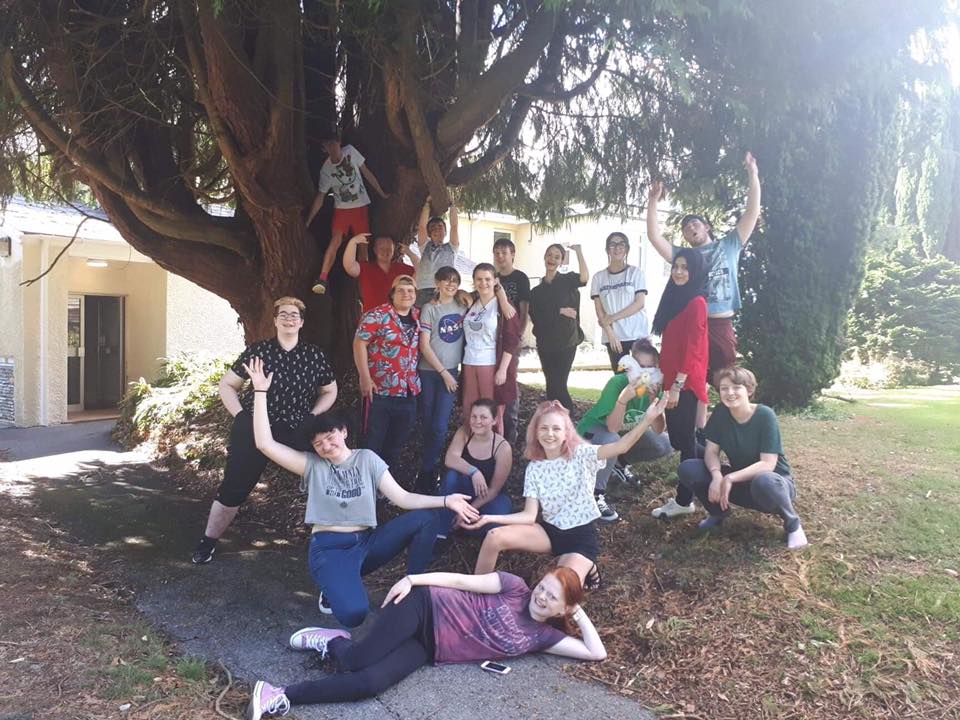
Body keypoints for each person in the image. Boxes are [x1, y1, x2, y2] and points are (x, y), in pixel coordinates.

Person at [243, 357, 479, 628]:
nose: (325, 445)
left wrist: (447, 500)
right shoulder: (313, 466)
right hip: (330, 549)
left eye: (330, 437)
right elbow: (265, 444)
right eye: (318, 444)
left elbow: (402, 498)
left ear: (343, 432)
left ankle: (413, 591)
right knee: (354, 614)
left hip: (367, 544)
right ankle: (332, 585)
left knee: (426, 519)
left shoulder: (367, 459)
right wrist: (260, 391)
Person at [245, 566, 606, 718]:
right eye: (543, 587)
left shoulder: (543, 636)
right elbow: (461, 581)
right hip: (423, 607)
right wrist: (412, 580)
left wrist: (578, 612)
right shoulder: (513, 586)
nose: (541, 596)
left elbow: (595, 652)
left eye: (552, 597)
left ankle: (289, 684)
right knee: (358, 659)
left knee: (368, 684)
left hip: (431, 648)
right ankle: (319, 657)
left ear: (564, 607)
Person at [190, 297, 337, 565]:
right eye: (283, 314)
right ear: (275, 320)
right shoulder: (258, 351)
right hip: (255, 427)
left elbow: (330, 390)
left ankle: (335, 545)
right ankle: (207, 542)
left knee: (325, 476)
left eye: (294, 315)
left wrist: (312, 416)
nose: (289, 319)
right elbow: (227, 385)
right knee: (233, 487)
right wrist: (241, 417)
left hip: (297, 428)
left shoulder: (314, 355)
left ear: (301, 322)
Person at [468, 396, 668, 586]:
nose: (550, 434)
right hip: (549, 533)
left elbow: (621, 446)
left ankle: (587, 566)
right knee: (494, 536)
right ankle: (475, 596)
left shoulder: (582, 454)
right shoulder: (535, 468)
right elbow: (529, 516)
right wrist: (489, 518)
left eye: (556, 428)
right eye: (544, 428)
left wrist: (647, 419)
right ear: (536, 432)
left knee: (558, 586)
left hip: (580, 538)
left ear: (566, 433)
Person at [645, 152, 761, 383]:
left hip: (720, 323)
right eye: (686, 228)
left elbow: (751, 213)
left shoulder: (729, 245)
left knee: (726, 378)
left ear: (706, 227)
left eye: (694, 223)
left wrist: (753, 174)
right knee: (691, 380)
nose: (691, 228)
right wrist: (653, 201)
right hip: (691, 323)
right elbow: (654, 236)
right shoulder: (684, 257)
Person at [678, 366, 808, 549]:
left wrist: (730, 477)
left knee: (764, 480)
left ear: (749, 390)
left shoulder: (765, 415)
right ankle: (718, 513)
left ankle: (793, 525)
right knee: (689, 469)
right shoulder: (721, 413)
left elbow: (768, 464)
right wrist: (717, 475)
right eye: (724, 388)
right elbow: (711, 451)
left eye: (736, 387)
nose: (730, 393)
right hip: (741, 484)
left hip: (774, 486)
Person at [577, 339, 674, 523]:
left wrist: (653, 400)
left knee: (664, 444)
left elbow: (659, 429)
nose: (645, 373)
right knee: (612, 438)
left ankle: (619, 464)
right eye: (640, 367)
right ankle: (596, 493)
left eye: (650, 367)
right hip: (593, 433)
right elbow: (612, 427)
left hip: (620, 435)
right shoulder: (617, 383)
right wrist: (623, 399)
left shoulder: (656, 388)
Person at [649, 249, 709, 520]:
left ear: (695, 271)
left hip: (684, 383)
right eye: (676, 266)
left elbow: (694, 349)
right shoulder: (677, 298)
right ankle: (715, 463)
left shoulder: (696, 302)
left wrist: (677, 385)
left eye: (685, 267)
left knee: (684, 441)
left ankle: (685, 500)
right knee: (680, 439)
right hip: (672, 380)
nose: (679, 272)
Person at [354, 275, 421, 482]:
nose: (406, 294)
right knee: (373, 442)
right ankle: (365, 484)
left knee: (396, 443)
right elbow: (359, 343)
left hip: (408, 391)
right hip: (380, 391)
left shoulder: (419, 316)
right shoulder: (377, 315)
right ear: (392, 294)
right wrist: (364, 377)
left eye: (410, 291)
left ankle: (384, 485)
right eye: (400, 290)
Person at [306, 137, 390, 295]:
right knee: (336, 240)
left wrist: (381, 193)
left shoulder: (350, 151)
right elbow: (320, 197)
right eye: (328, 145)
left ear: (339, 143)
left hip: (360, 208)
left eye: (334, 143)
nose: (333, 147)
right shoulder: (326, 170)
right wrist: (308, 220)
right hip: (342, 210)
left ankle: (365, 282)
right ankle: (322, 277)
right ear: (324, 149)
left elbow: (366, 172)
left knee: (363, 245)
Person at [415, 266, 469, 493]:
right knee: (428, 422)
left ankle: (430, 470)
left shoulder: (463, 306)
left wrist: (450, 373)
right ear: (437, 283)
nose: (451, 284)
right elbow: (424, 345)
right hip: (429, 372)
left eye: (455, 280)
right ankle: (424, 467)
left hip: (451, 372)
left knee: (440, 425)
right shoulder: (429, 308)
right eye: (446, 280)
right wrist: (444, 373)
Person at [435, 398, 513, 537]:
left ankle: (461, 522)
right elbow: (450, 458)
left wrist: (468, 510)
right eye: (474, 416)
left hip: (488, 497)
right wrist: (474, 472)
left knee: (496, 520)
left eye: (483, 417)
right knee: (452, 476)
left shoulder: (503, 448)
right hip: (464, 491)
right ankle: (441, 532)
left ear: (494, 420)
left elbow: (494, 489)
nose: (477, 421)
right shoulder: (464, 432)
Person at [460, 263, 522, 435]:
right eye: (479, 279)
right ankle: (471, 445)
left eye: (488, 279)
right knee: (470, 409)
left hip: (490, 363)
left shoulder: (503, 306)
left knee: (490, 411)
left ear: (495, 281)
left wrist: (502, 370)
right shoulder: (472, 302)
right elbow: (455, 294)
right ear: (474, 281)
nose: (483, 283)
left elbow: (512, 340)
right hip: (469, 361)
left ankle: (494, 447)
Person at [528, 243, 588, 411]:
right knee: (551, 386)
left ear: (561, 261)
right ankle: (554, 420)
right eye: (549, 255)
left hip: (566, 342)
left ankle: (568, 419)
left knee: (559, 385)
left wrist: (579, 251)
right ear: (544, 257)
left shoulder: (567, 281)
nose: (552, 259)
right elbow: (537, 317)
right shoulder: (536, 292)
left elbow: (584, 278)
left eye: (557, 257)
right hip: (545, 344)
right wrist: (560, 310)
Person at [591, 232, 649, 371]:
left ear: (627, 249)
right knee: (621, 378)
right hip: (613, 337)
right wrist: (611, 334)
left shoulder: (635, 273)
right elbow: (599, 310)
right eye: (612, 244)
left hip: (637, 335)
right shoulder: (598, 277)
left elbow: (639, 303)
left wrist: (612, 318)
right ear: (607, 250)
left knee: (643, 378)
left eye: (621, 244)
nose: (617, 248)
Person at [493, 237, 530, 443]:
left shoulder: (520, 278)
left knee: (509, 381)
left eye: (504, 252)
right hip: (494, 339)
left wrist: (519, 333)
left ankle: (510, 430)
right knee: (496, 381)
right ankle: (494, 429)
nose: (500, 256)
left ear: (512, 254)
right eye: (497, 252)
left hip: (511, 337)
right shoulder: (492, 277)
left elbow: (524, 308)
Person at [342, 233, 419, 313]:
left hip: (397, 317)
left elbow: (421, 273)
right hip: (373, 317)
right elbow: (349, 266)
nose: (385, 252)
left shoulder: (403, 269)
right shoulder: (365, 267)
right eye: (382, 249)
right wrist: (353, 242)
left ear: (394, 250)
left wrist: (410, 254)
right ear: (375, 250)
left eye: (389, 249)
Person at [415, 202, 460, 308]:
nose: (437, 229)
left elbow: (454, 226)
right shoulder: (425, 246)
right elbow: (422, 226)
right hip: (424, 290)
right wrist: (427, 205)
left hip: (444, 290)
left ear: (445, 232)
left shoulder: (451, 248)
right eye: (433, 227)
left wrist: (452, 206)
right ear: (429, 233)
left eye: (440, 227)